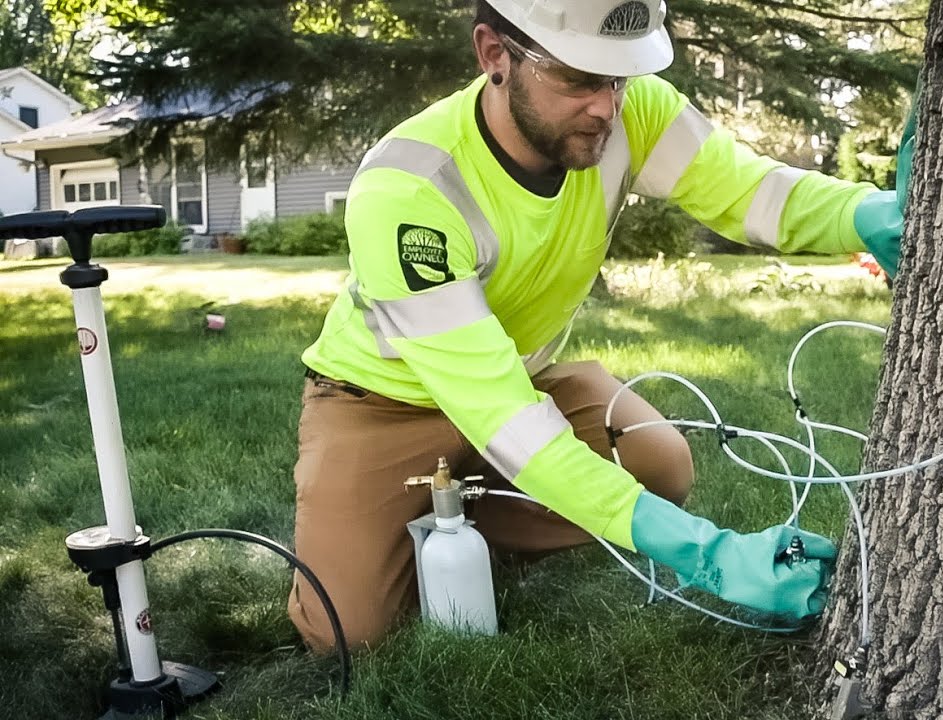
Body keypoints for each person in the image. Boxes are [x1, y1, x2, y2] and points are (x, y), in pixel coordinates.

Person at [288, 0, 908, 652]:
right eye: (581, 78)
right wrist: (706, 553)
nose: (607, 107)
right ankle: (400, 525)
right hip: (383, 404)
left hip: (519, 380)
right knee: (348, 632)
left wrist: (867, 212)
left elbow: (751, 193)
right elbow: (501, 415)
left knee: (659, 464)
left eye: (620, 78)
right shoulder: (411, 188)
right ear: (495, 55)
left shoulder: (632, 110)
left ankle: (465, 519)